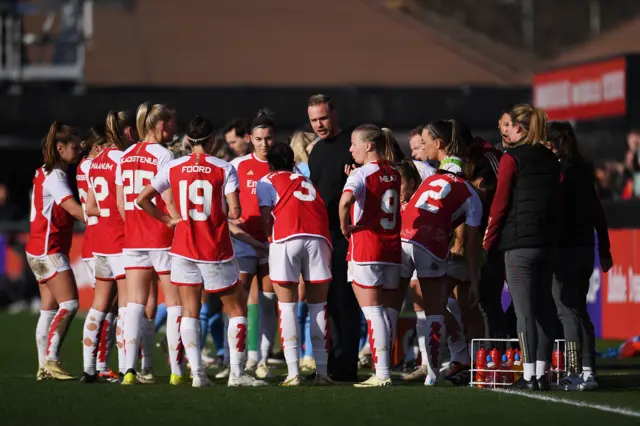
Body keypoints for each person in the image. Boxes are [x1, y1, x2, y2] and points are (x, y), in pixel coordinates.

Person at [136, 114, 267, 388]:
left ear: (187, 140)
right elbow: (235, 211)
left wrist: (169, 220)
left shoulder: (173, 166)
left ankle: (197, 375)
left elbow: (142, 199)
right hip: (214, 248)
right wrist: (229, 211)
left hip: (183, 248)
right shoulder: (224, 167)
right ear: (211, 141)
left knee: (190, 311)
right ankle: (237, 374)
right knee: (237, 310)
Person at [483, 104, 561, 391]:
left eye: (509, 126)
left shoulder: (511, 158)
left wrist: (489, 240)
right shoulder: (551, 159)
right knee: (543, 309)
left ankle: (528, 375)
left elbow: (500, 203)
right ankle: (541, 374)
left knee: (524, 312)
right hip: (547, 242)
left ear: (519, 128)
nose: (506, 131)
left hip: (519, 244)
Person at [401, 119, 483, 386]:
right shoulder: (464, 189)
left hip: (412, 240)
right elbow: (471, 242)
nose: (421, 148)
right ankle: (438, 370)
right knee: (435, 307)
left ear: (439, 145)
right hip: (432, 246)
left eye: (424, 143)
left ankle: (382, 372)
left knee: (392, 307)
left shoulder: (429, 176)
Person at [257, 143, 333, 387]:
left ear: (270, 163)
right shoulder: (305, 180)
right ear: (292, 162)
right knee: (318, 307)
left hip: (286, 237)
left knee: (287, 306)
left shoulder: (266, 179)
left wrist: (270, 239)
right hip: (319, 238)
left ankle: (293, 373)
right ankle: (322, 372)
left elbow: (267, 216)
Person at [119, 102, 183, 386]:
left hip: (133, 237)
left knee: (134, 304)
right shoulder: (164, 154)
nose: (174, 129)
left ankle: (128, 370)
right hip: (160, 236)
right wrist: (174, 221)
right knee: (175, 303)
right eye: (171, 124)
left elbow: (122, 203)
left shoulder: (126, 154)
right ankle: (176, 372)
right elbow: (167, 197)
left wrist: (134, 224)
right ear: (160, 125)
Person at [546, 122, 612, 391]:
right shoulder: (584, 171)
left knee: (567, 312)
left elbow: (558, 214)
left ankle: (574, 372)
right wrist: (604, 250)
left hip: (565, 249)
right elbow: (598, 212)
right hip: (585, 248)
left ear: (553, 144)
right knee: (580, 311)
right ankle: (588, 371)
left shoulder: (559, 173)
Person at [338, 124, 401, 388]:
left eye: (354, 143)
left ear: (368, 145)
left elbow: (345, 202)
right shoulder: (393, 173)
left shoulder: (362, 173)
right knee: (385, 312)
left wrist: (344, 227)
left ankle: (382, 373)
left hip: (366, 247)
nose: (350, 149)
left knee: (373, 312)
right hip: (391, 248)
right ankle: (383, 369)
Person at [26, 121, 85, 380]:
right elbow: (73, 209)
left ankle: (42, 367)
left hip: (38, 248)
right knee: (70, 304)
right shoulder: (56, 176)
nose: (79, 151)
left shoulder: (44, 171)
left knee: (48, 309)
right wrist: (103, 217)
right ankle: (51, 360)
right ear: (60, 148)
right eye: (74, 147)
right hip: (49, 250)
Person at [308, 94, 361, 382]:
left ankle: (346, 366)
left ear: (334, 114)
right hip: (321, 237)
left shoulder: (353, 146)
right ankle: (327, 364)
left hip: (347, 236)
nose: (319, 124)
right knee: (323, 305)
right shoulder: (315, 151)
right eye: (314, 120)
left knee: (345, 304)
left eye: (323, 118)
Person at [81, 113, 133, 383]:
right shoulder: (122, 160)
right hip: (120, 241)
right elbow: (124, 207)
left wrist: (107, 209)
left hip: (99, 242)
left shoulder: (95, 162)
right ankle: (126, 369)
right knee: (125, 306)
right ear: (124, 133)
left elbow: (89, 207)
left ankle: (88, 368)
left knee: (98, 306)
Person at [229, 110, 278, 379]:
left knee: (269, 302)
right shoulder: (237, 165)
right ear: (250, 138)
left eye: (268, 138)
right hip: (244, 242)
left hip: (272, 244)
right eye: (258, 138)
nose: (264, 144)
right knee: (241, 301)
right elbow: (228, 205)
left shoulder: (283, 165)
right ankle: (239, 358)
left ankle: (262, 360)